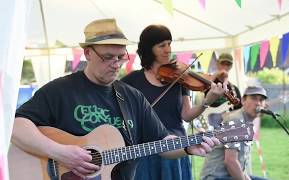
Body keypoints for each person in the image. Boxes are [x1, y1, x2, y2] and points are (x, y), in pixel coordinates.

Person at [10, 19, 223, 180]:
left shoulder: (131, 96)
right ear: (87, 53)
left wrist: (187, 146)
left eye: (121, 57)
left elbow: (161, 141)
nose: (116, 64)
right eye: (108, 57)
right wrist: (61, 153)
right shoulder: (60, 90)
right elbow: (16, 126)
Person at [121, 24, 225, 180]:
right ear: (149, 48)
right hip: (144, 150)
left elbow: (187, 115)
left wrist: (206, 101)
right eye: (161, 45)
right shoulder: (131, 80)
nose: (168, 49)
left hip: (176, 146)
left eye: (169, 43)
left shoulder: (179, 78)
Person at [200, 86, 269, 180]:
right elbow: (230, 162)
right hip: (216, 177)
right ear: (243, 100)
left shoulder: (246, 121)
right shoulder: (236, 120)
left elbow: (239, 162)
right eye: (253, 98)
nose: (258, 103)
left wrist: (246, 177)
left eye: (261, 100)